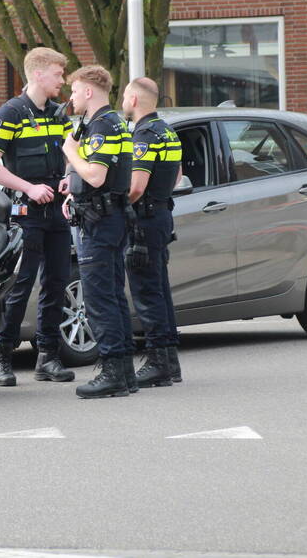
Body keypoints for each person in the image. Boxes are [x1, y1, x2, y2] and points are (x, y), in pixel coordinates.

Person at [0, 47, 76, 386]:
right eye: (57, 74)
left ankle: (47, 357)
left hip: (57, 211)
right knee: (20, 285)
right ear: (37, 74)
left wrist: (69, 175)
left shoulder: (57, 113)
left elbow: (71, 153)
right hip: (26, 212)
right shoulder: (10, 113)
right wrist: (29, 188)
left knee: (56, 282)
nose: (62, 81)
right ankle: (2, 357)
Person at [61, 65, 134, 399]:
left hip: (101, 223)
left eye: (74, 90)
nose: (71, 97)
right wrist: (73, 192)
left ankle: (112, 372)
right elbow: (90, 179)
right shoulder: (106, 123)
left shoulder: (103, 126)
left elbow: (96, 176)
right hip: (106, 215)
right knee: (113, 294)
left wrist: (71, 152)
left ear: (88, 91)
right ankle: (124, 371)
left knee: (100, 298)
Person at [121, 78, 183, 387]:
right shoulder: (168, 131)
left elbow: (135, 187)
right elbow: (178, 175)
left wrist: (120, 208)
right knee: (160, 288)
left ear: (133, 99)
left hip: (143, 221)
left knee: (147, 292)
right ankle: (170, 362)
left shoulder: (143, 135)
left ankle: (158, 361)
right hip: (161, 214)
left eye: (124, 96)